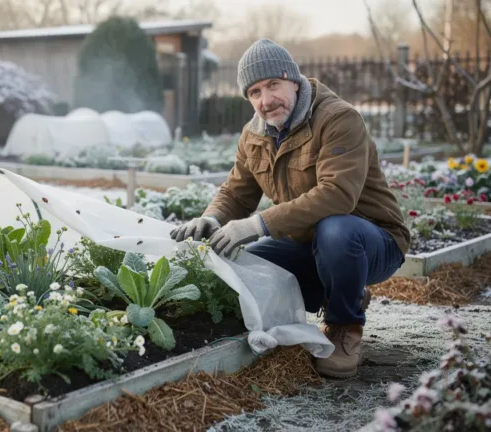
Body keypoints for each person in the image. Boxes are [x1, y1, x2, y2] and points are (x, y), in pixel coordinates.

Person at [170, 39, 409, 379]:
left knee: (335, 230)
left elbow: (338, 195)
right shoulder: (253, 136)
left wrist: (258, 224)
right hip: (309, 242)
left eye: (273, 85)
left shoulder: (338, 119)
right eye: (254, 92)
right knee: (249, 262)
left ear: (293, 80)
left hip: (372, 239)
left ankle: (345, 325)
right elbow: (236, 192)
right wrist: (211, 218)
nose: (266, 101)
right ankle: (342, 289)